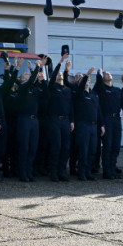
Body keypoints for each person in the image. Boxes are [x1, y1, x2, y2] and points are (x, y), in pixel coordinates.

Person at [45, 54, 73, 182]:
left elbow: (71, 107)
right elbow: (53, 76)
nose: (59, 75)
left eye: (61, 74)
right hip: (54, 120)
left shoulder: (67, 90)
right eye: (58, 74)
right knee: (56, 146)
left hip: (66, 121)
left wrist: (72, 121)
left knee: (66, 147)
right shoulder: (52, 87)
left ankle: (62, 171)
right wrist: (61, 62)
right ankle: (53, 172)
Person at [73, 68, 103, 181]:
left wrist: (102, 125)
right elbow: (81, 87)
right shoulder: (79, 93)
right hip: (83, 125)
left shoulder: (94, 94)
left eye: (88, 80)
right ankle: (81, 172)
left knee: (92, 150)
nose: (87, 81)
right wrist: (86, 75)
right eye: (84, 80)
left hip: (94, 126)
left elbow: (98, 111)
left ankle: (88, 171)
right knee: (83, 150)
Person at [94, 68, 123, 180]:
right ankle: (107, 171)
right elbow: (98, 84)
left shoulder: (117, 90)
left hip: (117, 119)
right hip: (106, 119)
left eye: (109, 73)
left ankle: (113, 169)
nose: (108, 75)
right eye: (105, 74)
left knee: (116, 146)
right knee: (108, 146)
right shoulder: (101, 89)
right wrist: (99, 73)